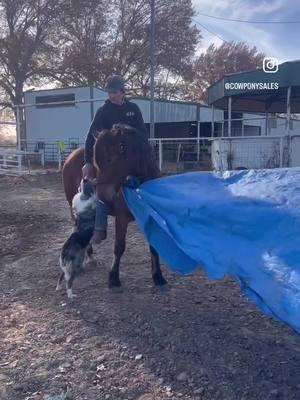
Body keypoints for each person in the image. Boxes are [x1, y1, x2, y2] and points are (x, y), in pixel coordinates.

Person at [82, 75, 147, 244]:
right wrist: (88, 161)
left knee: (149, 176)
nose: (111, 95)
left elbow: (142, 133)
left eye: (114, 92)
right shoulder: (103, 111)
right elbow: (91, 137)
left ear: (122, 91)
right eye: (109, 92)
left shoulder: (134, 108)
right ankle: (99, 227)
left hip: (131, 156)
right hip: (111, 159)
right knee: (102, 186)